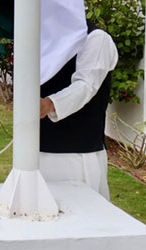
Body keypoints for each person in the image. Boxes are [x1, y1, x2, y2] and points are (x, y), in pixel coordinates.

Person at [38, 22, 118, 199]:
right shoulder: (45, 38)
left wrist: (50, 104)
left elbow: (86, 85)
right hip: (36, 153)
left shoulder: (96, 38)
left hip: (77, 155)